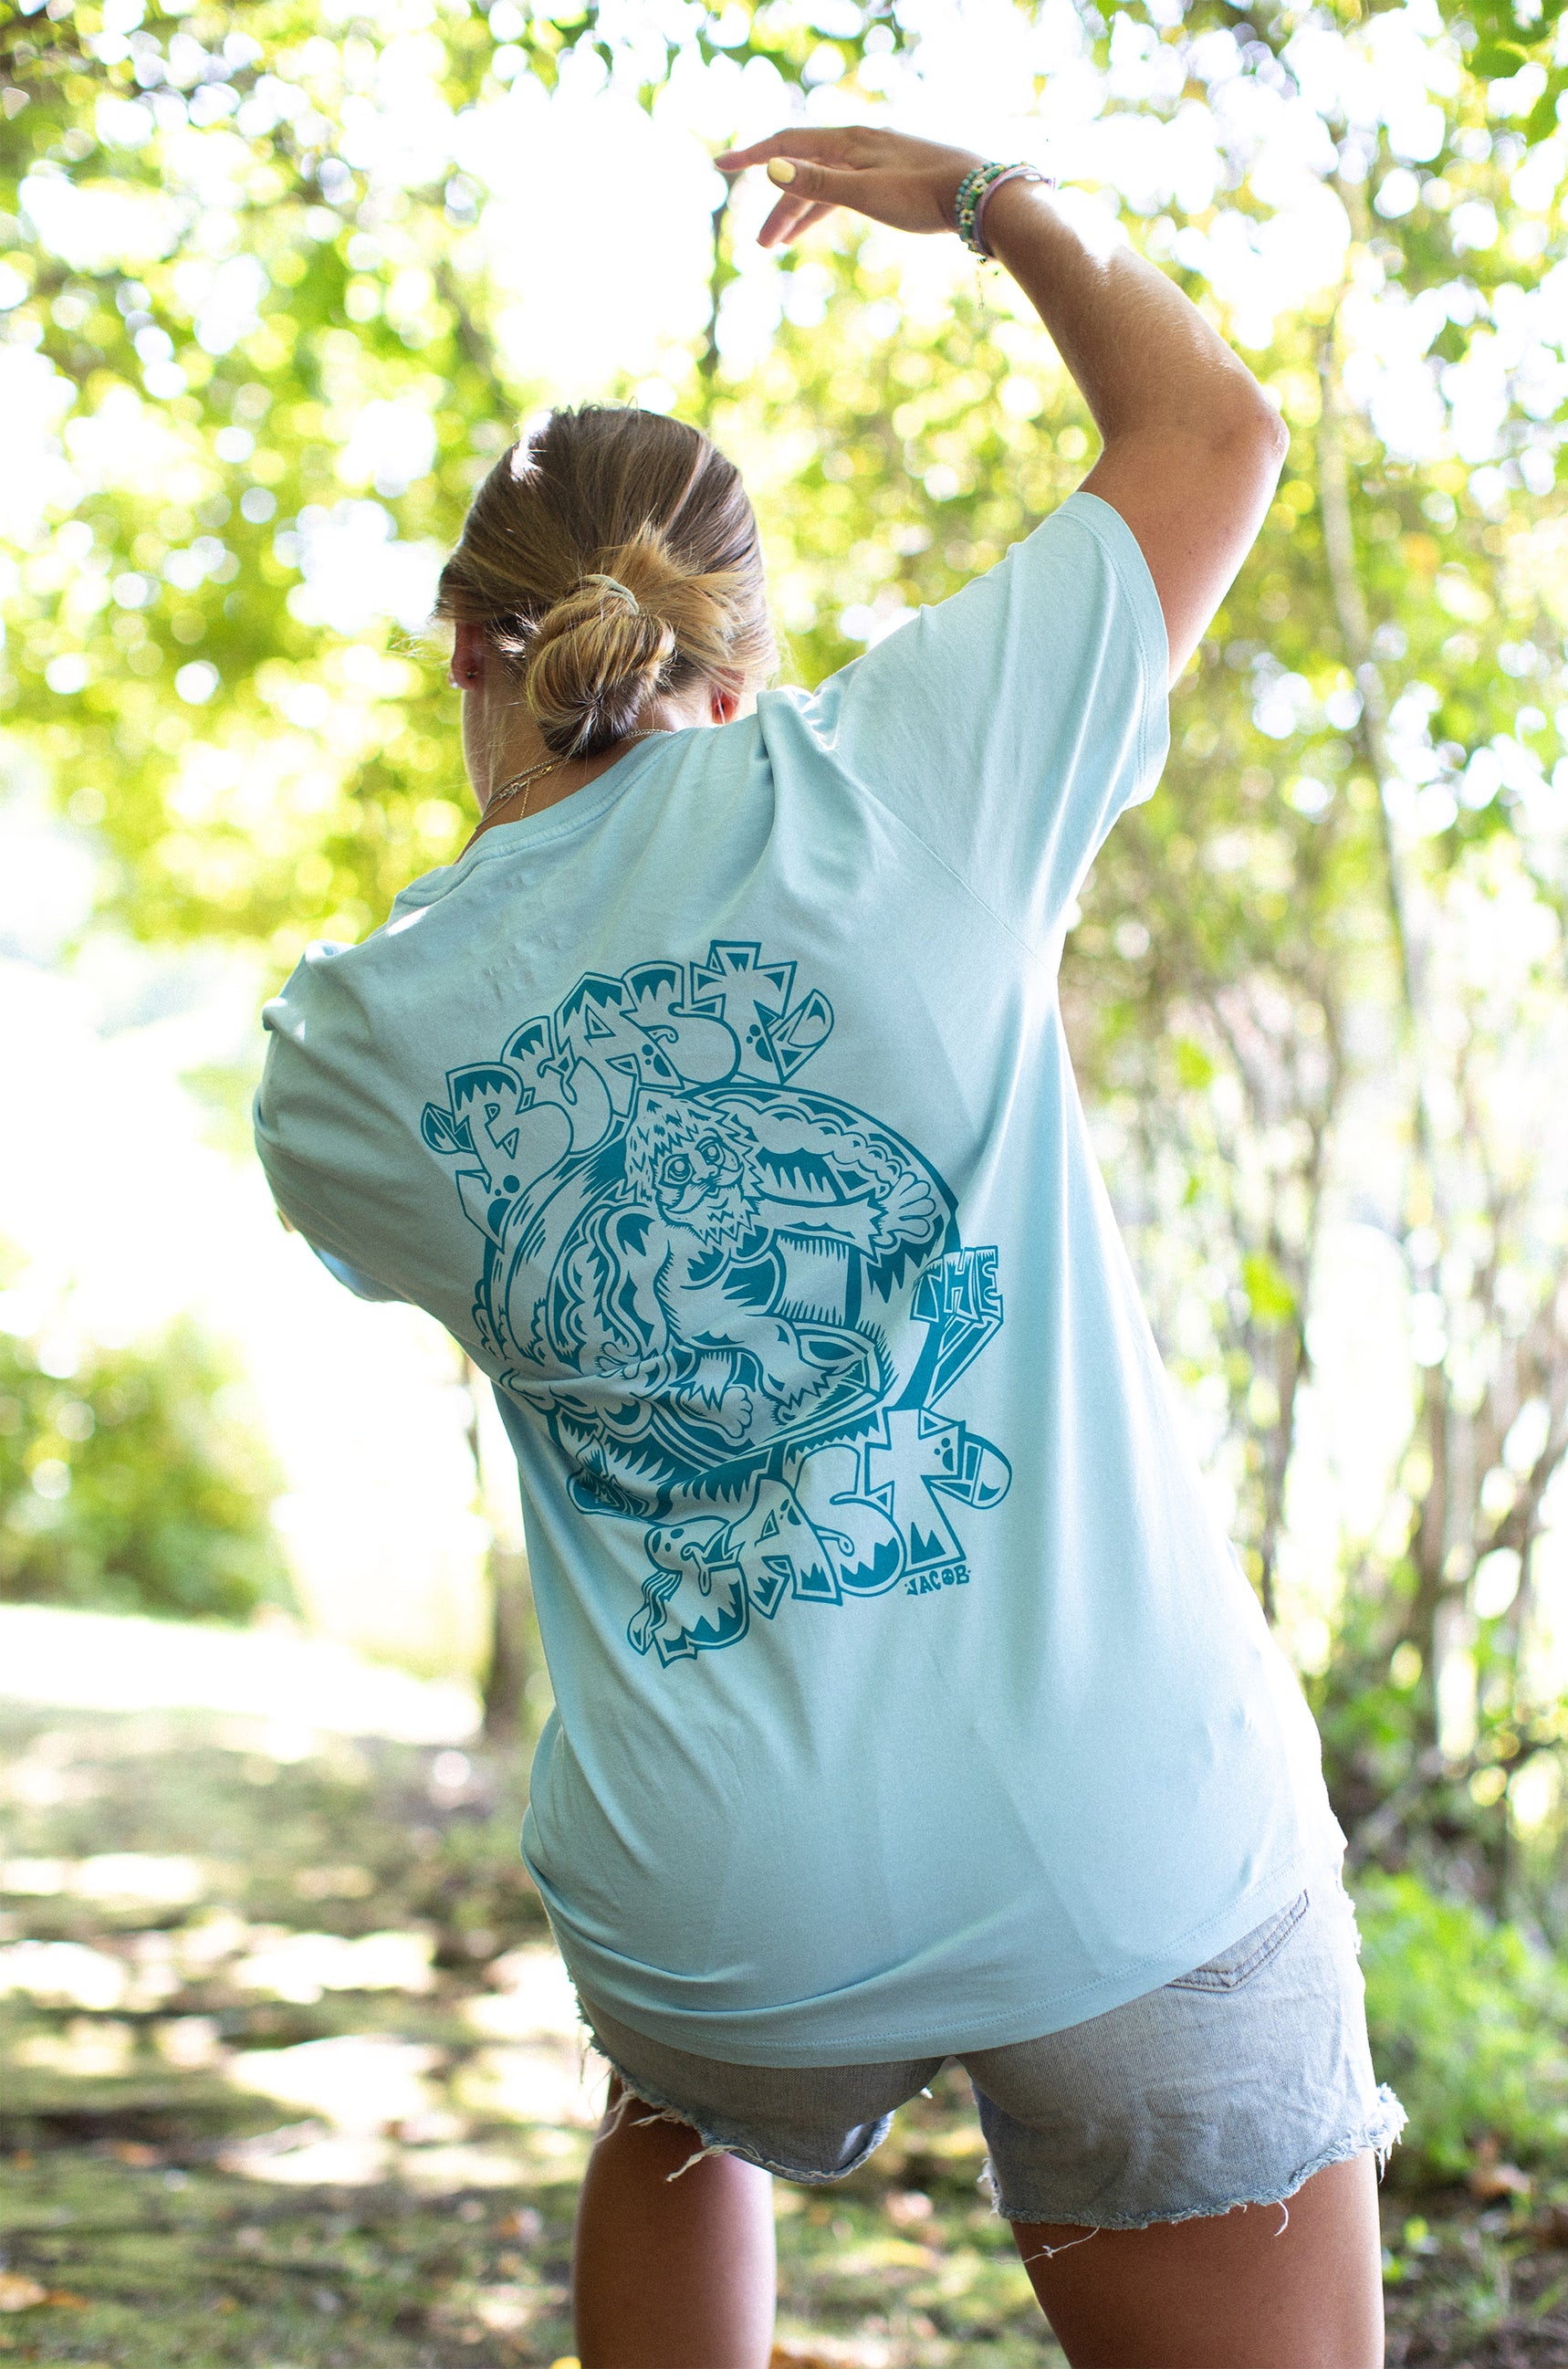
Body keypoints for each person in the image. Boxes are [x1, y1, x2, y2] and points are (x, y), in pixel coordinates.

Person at [254, 124, 1403, 2369]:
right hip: (1114, 1836)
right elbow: (1213, 434)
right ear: (744, 645)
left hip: (729, 1906)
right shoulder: (915, 779)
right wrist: (989, 202)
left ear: (466, 644)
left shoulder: (347, 1051)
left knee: (674, 2105)